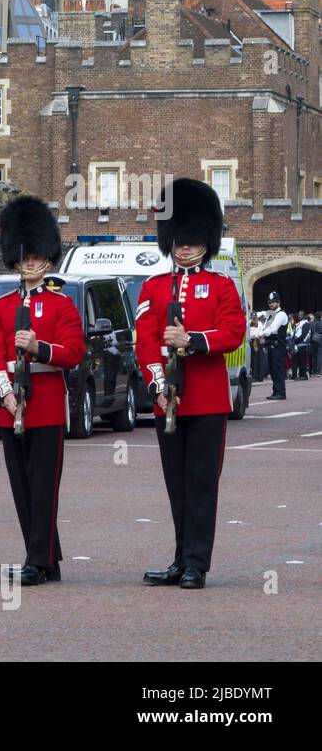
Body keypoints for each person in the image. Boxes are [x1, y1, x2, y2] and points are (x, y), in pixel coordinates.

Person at [137, 179, 247, 590]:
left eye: (193, 240)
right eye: (178, 240)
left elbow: (234, 332)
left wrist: (194, 341)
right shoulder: (154, 286)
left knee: (201, 483)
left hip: (206, 401)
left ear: (207, 240)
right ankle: (181, 557)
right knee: (176, 483)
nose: (184, 247)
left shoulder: (220, 285)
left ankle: (197, 563)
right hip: (168, 400)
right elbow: (145, 341)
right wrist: (158, 384)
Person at [0, 195, 85, 586]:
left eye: (35, 256)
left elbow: (74, 352)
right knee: (22, 487)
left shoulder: (62, 306)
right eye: (23, 256)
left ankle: (36, 560)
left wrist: (39, 348)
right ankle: (45, 558)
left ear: (46, 257)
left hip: (45, 404)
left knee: (44, 487)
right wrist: (5, 393)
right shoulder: (0, 306)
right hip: (10, 405)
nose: (29, 263)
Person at [261, 292, 288, 400]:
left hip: (278, 346)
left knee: (277, 370)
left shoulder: (281, 314)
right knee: (272, 370)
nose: (271, 304)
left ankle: (281, 393)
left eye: (273, 302)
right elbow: (265, 327)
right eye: (270, 302)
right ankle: (276, 391)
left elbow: (273, 328)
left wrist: (261, 334)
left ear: (278, 302)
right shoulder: (270, 314)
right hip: (271, 346)